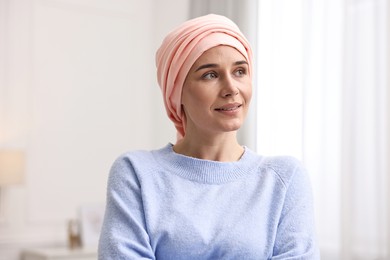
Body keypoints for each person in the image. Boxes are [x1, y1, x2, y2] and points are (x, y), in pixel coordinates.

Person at [98, 14, 320, 260]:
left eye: (240, 71)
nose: (231, 88)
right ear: (176, 91)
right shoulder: (136, 174)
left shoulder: (284, 178)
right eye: (210, 75)